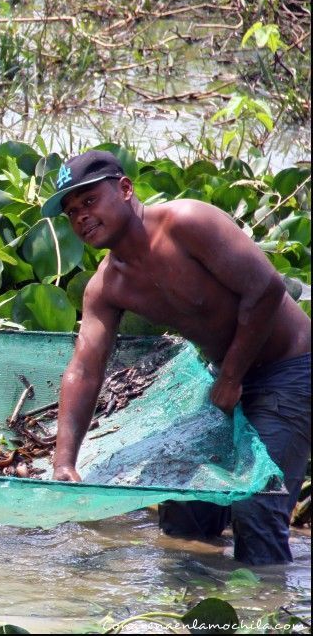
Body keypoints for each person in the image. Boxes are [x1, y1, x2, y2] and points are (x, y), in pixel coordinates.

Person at [44, 150, 311, 565]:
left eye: (90, 201)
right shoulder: (106, 286)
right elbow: (84, 368)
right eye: (72, 211)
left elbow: (265, 289)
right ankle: (199, 619)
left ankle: (268, 616)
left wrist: (230, 378)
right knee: (184, 508)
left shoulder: (187, 222)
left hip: (290, 368)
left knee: (257, 508)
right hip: (224, 376)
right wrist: (64, 461)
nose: (81, 217)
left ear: (126, 189)